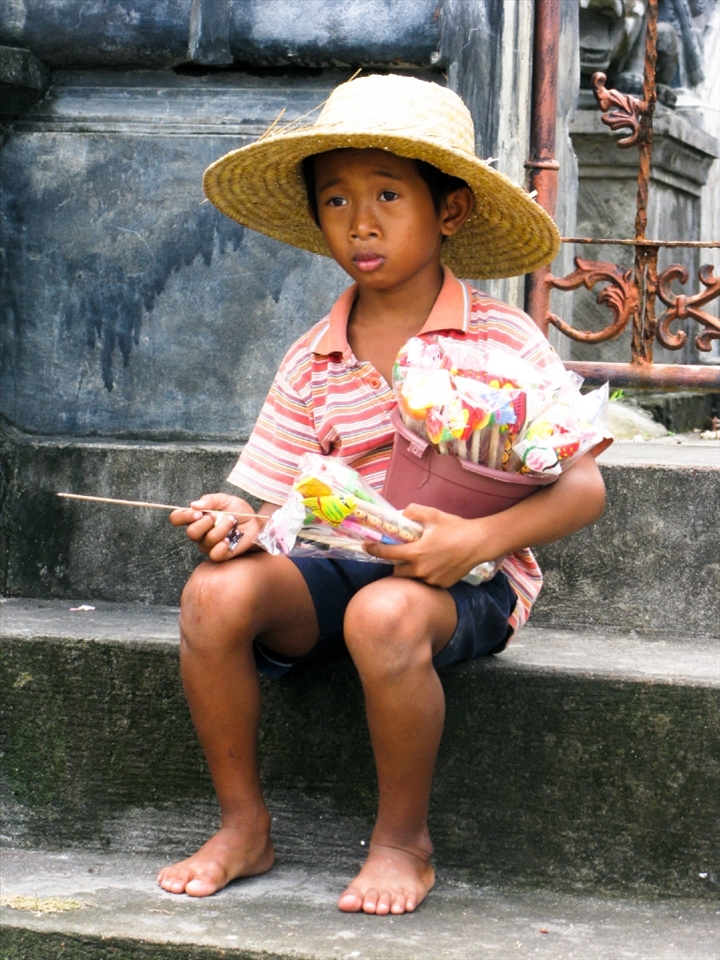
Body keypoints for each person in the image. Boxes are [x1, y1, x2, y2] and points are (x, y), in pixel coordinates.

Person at [157, 74, 606, 916]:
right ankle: (243, 826)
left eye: (388, 195)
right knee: (214, 594)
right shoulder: (311, 357)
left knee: (386, 615)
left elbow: (583, 489)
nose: (359, 222)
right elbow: (261, 495)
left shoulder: (501, 339)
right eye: (335, 201)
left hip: (465, 582)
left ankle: (404, 841)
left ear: (451, 211)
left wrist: (471, 543)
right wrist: (231, 520)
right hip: (333, 564)